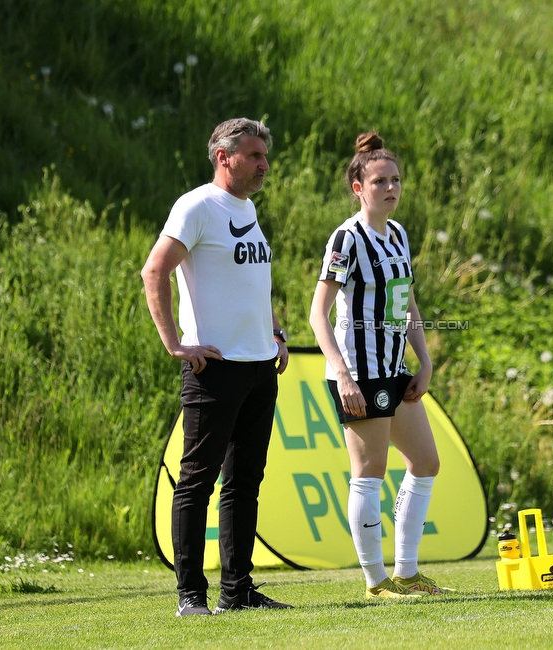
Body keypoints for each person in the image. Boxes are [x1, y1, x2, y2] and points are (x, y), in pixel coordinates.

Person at [141, 117, 292, 616]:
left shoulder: (246, 209)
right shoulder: (197, 206)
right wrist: (176, 345)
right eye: (253, 156)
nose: (263, 165)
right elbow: (154, 270)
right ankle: (190, 596)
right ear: (223, 157)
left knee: (245, 481)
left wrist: (275, 333)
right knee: (197, 481)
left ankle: (238, 591)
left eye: (264, 156)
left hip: (257, 367)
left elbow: (253, 281)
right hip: (214, 368)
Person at [309, 132, 455, 600]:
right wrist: (343, 373)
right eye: (379, 181)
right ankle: (376, 582)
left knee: (426, 462)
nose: (389, 188)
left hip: (395, 369)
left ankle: (408, 573)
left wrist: (425, 359)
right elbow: (318, 314)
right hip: (359, 372)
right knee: (370, 470)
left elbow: (407, 301)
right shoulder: (346, 239)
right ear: (358, 187)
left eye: (395, 180)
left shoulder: (398, 234)